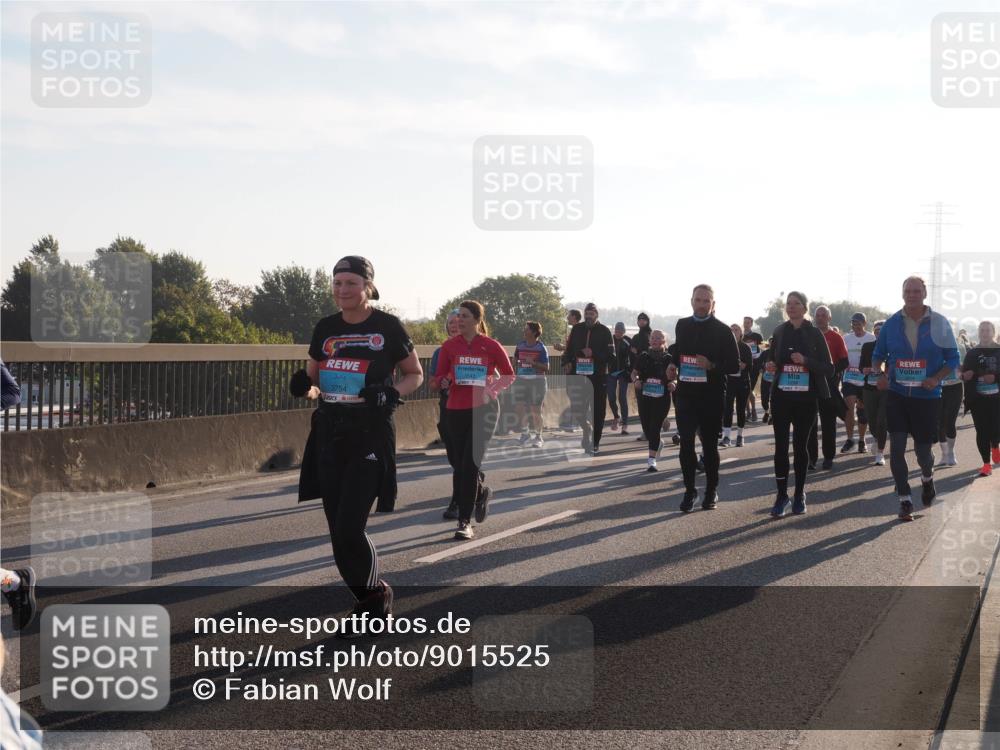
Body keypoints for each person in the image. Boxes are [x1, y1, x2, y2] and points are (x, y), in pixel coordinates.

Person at [293, 256, 423, 633]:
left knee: (351, 526)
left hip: (370, 434)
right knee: (337, 529)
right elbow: (314, 384)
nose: (342, 290)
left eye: (350, 283)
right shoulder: (325, 328)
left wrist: (390, 393)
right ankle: (367, 599)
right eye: (337, 283)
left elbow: (414, 375)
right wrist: (304, 388)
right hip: (330, 433)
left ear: (367, 286)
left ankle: (376, 595)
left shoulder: (387, 326)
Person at [872, 276, 960, 521]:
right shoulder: (891, 324)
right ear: (902, 294)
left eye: (916, 291)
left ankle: (927, 478)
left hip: (927, 396)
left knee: (923, 453)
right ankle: (904, 499)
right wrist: (880, 374)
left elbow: (952, 359)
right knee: (897, 448)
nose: (912, 294)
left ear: (924, 293)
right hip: (898, 394)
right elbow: (878, 355)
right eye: (907, 291)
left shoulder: (939, 323)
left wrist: (935, 378)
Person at [434, 300, 515, 539]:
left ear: (477, 320)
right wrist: (443, 381)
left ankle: (464, 522)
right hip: (455, 409)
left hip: (484, 409)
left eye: (465, 316)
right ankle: (481, 493)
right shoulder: (449, 346)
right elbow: (437, 377)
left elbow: (509, 375)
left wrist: (493, 389)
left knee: (469, 465)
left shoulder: (490, 345)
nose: (459, 320)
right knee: (460, 466)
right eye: (457, 316)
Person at [672, 284, 740, 512]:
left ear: (713, 304)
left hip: (711, 396)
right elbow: (677, 351)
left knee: (709, 446)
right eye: (698, 300)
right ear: (691, 301)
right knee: (686, 445)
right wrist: (671, 365)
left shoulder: (723, 331)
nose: (702, 305)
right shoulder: (682, 325)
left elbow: (733, 365)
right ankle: (689, 491)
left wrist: (711, 365)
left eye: (706, 301)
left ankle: (711, 490)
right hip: (686, 394)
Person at [766, 292, 835, 517]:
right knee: (780, 447)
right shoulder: (779, 331)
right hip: (781, 397)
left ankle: (799, 494)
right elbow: (772, 358)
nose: (792, 307)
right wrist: (771, 366)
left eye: (796, 304)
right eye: (788, 304)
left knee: (800, 447)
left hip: (806, 398)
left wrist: (805, 361)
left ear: (805, 308)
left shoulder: (814, 333)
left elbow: (829, 368)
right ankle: (780, 495)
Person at [562, 303, 614, 455]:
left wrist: (594, 353)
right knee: (577, 410)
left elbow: (611, 356)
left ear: (597, 315)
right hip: (577, 377)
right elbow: (568, 350)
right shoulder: (577, 329)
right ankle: (586, 428)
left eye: (592, 313)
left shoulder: (604, 331)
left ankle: (595, 442)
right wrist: (566, 363)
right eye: (587, 313)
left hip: (597, 377)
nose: (589, 316)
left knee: (598, 412)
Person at [430, 310, 462, 519]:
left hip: (473, 408)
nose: (454, 325)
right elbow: (432, 383)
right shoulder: (439, 352)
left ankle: (457, 502)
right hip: (448, 407)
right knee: (455, 458)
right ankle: (475, 480)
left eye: (458, 321)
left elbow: (497, 377)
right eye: (450, 322)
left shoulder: (480, 348)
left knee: (463, 458)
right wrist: (440, 382)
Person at [808, 305, 848, 469]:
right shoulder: (807, 335)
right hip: (809, 383)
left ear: (829, 318)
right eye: (818, 315)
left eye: (824, 315)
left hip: (828, 384)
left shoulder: (836, 337)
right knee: (809, 422)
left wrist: (830, 373)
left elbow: (844, 361)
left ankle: (828, 456)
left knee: (828, 422)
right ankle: (811, 457)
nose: (820, 318)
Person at [631, 329, 675, 471]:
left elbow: (676, 376)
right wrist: (635, 381)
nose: (655, 340)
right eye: (653, 338)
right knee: (647, 428)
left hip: (662, 398)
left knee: (655, 426)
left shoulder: (669, 358)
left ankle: (651, 460)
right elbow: (634, 373)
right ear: (649, 341)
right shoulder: (643, 356)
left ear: (663, 341)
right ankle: (658, 443)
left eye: (658, 338)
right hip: (645, 397)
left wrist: (673, 384)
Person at [961, 320, 1000, 477]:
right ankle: (986, 464)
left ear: (993, 332)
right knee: (982, 431)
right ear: (978, 333)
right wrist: (965, 375)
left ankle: (995, 445)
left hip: (997, 399)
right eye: (982, 330)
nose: (984, 333)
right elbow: (964, 373)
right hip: (978, 400)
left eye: (987, 330)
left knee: (996, 429)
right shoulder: (972, 352)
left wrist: (996, 377)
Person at [841, 313, 877, 454]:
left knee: (862, 412)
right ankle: (850, 439)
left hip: (865, 378)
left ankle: (862, 440)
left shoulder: (871, 338)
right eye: (853, 323)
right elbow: (842, 356)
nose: (855, 326)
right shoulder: (846, 338)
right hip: (849, 377)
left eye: (858, 323)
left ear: (864, 323)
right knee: (848, 408)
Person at [512, 321, 550, 448]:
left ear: (534, 332)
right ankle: (525, 434)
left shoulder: (541, 348)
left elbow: (546, 367)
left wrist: (533, 363)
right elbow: (515, 358)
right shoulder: (520, 345)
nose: (524, 331)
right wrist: (514, 365)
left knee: (535, 411)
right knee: (519, 407)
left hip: (537, 381)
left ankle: (538, 437)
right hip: (521, 380)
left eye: (527, 329)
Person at [860, 320, 889, 465]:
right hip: (869, 388)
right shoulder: (867, 347)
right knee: (872, 421)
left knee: (881, 420)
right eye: (876, 331)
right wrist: (865, 370)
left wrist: (886, 374)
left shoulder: (891, 348)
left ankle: (880, 454)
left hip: (885, 390)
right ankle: (878, 439)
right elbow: (861, 367)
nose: (879, 333)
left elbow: (895, 367)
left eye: (881, 331)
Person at [721, 323, 752, 447]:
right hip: (729, 382)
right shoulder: (725, 347)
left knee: (740, 409)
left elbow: (751, 366)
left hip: (743, 382)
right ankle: (727, 437)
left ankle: (740, 435)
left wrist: (744, 365)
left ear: (741, 333)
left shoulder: (745, 347)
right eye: (732, 330)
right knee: (727, 408)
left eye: (736, 329)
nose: (734, 331)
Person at [607, 322, 633, 434]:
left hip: (623, 372)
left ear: (624, 332)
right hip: (611, 372)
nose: (618, 333)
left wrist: (631, 371)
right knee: (611, 396)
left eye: (620, 331)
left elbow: (633, 356)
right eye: (617, 331)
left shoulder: (628, 341)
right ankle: (616, 416)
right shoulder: (610, 340)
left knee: (622, 397)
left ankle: (625, 424)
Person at [742, 317, 765, 422]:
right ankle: (748, 411)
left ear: (751, 324)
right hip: (744, 366)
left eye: (748, 323)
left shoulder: (757, 336)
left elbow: (762, 350)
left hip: (754, 366)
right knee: (744, 389)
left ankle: (753, 410)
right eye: (744, 322)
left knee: (749, 389)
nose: (746, 324)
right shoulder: (741, 337)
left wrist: (761, 366)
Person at [759, 338, 775, 424]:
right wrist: (761, 369)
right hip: (765, 378)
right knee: (764, 399)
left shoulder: (779, 353)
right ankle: (766, 411)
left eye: (774, 342)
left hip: (776, 380)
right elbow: (758, 363)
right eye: (771, 342)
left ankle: (772, 416)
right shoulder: (765, 353)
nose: (772, 344)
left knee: (773, 398)